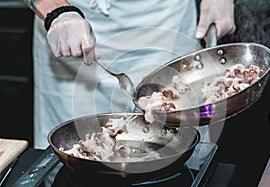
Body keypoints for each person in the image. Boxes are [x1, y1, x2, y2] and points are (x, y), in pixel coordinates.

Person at [22, 0, 235, 150]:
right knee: (71, 149)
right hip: (68, 25)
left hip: (165, 18)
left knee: (175, 144)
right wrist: (56, 11)